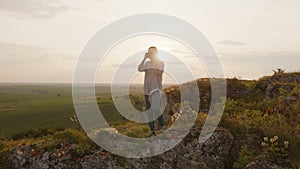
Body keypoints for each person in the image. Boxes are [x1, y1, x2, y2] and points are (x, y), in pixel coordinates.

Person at [138, 46, 166, 136]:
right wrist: (144, 58)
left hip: (156, 89)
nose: (150, 54)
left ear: (156, 53)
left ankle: (163, 126)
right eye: (149, 52)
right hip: (147, 89)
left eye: (152, 52)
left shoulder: (160, 63)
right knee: (149, 111)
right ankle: (152, 130)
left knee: (155, 108)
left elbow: (159, 72)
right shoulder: (147, 63)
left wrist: (153, 62)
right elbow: (139, 69)